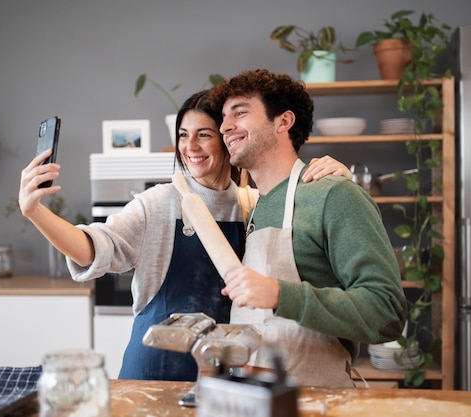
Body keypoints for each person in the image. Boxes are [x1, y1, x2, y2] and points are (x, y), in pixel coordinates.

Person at [18, 90, 352, 382]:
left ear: (227, 139)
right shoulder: (162, 201)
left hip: (225, 373)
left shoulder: (251, 204)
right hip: (156, 372)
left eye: (204, 134)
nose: (190, 146)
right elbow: (94, 247)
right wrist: (36, 212)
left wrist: (333, 175)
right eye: (183, 134)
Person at [208, 69, 407, 387]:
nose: (224, 127)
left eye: (240, 112)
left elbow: (387, 312)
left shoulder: (333, 193)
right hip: (256, 398)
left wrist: (279, 294)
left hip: (316, 401)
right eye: (222, 118)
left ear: (283, 122)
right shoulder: (254, 204)